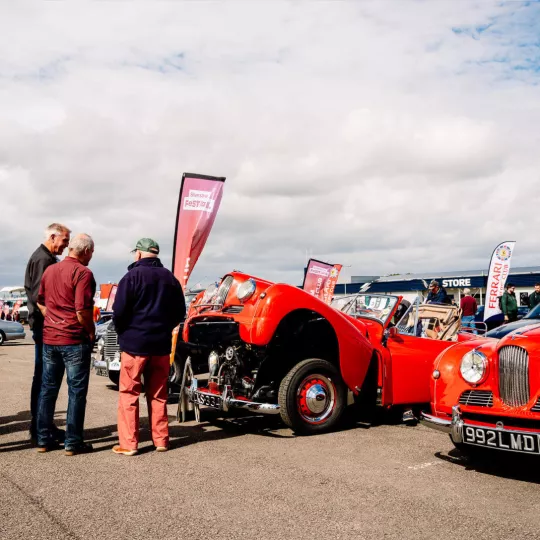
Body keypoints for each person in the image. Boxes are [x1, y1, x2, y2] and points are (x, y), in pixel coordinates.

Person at [112, 238, 185, 456]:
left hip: (135, 345)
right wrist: (164, 328)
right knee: (159, 394)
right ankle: (161, 440)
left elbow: (119, 312)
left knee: (129, 393)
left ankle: (129, 443)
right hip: (161, 345)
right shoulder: (171, 279)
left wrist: (124, 332)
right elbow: (179, 313)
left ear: (139, 254)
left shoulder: (131, 277)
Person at [36, 234, 96, 455]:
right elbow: (81, 310)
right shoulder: (83, 273)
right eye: (92, 252)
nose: (92, 256)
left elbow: (40, 301)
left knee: (47, 390)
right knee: (76, 392)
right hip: (73, 339)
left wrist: (52, 317)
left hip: (50, 338)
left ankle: (43, 439)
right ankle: (72, 442)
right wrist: (91, 331)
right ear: (86, 251)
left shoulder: (51, 270)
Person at [24, 222, 71, 444]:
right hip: (44, 327)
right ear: (53, 237)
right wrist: (55, 320)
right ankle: (41, 428)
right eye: (64, 241)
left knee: (44, 377)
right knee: (44, 377)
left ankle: (43, 426)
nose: (66, 246)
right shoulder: (43, 259)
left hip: (44, 325)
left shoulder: (46, 257)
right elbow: (38, 296)